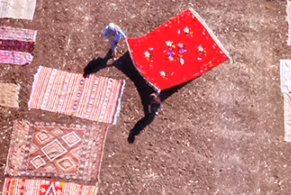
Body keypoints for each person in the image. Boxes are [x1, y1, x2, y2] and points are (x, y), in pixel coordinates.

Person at [82, 9, 229, 142]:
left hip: (146, 88)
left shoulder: (153, 96)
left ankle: (111, 57)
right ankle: (112, 56)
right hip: (148, 92)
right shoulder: (154, 97)